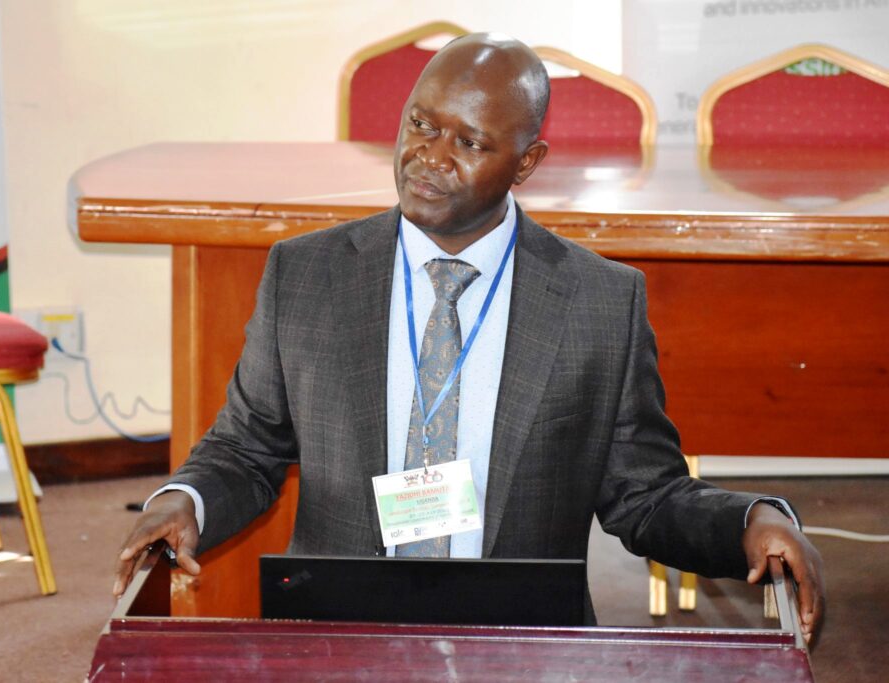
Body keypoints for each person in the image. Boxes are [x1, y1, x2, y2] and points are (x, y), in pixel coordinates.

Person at [114, 32, 824, 643]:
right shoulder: (307, 275)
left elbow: (645, 496)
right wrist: (184, 500)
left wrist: (752, 519)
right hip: (338, 634)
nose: (430, 154)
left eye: (469, 141)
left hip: (520, 639)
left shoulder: (598, 301)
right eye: (421, 124)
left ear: (526, 161)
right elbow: (248, 445)